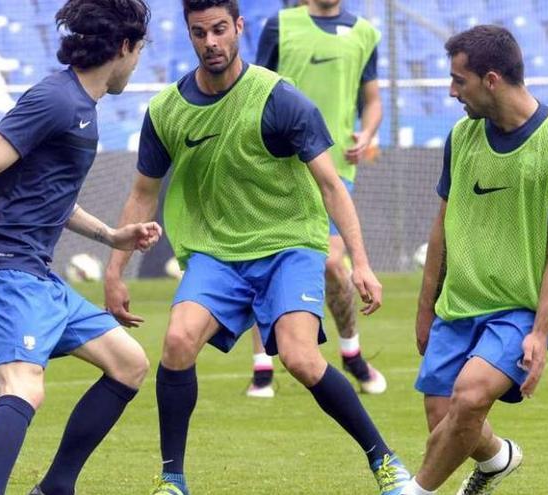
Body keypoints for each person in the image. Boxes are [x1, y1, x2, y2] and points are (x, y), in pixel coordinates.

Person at [103, 1, 409, 494]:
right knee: (178, 341)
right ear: (188, 34)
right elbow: (143, 192)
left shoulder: (280, 99)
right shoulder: (166, 110)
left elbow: (331, 185)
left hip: (290, 243)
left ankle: (385, 462)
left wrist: (363, 264)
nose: (211, 43)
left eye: (220, 30)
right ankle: (172, 480)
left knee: (301, 359)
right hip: (216, 253)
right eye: (199, 33)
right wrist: (115, 271)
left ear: (239, 28)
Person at [0, 1, 159, 494]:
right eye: (139, 50)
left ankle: (55, 487)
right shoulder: (56, 100)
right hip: (10, 269)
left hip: (41, 276)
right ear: (125, 47)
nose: (138, 61)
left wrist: (111, 236)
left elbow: (48, 197)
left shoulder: (82, 107)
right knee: (24, 388)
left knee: (129, 364)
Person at [400, 25, 548, 495]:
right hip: (460, 301)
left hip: (519, 308)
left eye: (458, 80)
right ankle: (497, 458)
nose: (451, 91)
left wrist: (542, 333)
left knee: (468, 399)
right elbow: (441, 225)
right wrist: (426, 307)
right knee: (443, 415)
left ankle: (414, 491)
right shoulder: (461, 138)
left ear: (490, 80)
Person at [247, 0, 386, 398]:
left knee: (330, 263)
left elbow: (372, 99)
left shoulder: (363, 33)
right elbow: (253, 87)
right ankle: (262, 367)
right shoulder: (280, 26)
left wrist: (368, 132)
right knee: (263, 254)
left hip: (334, 168)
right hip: (278, 165)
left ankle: (351, 351)